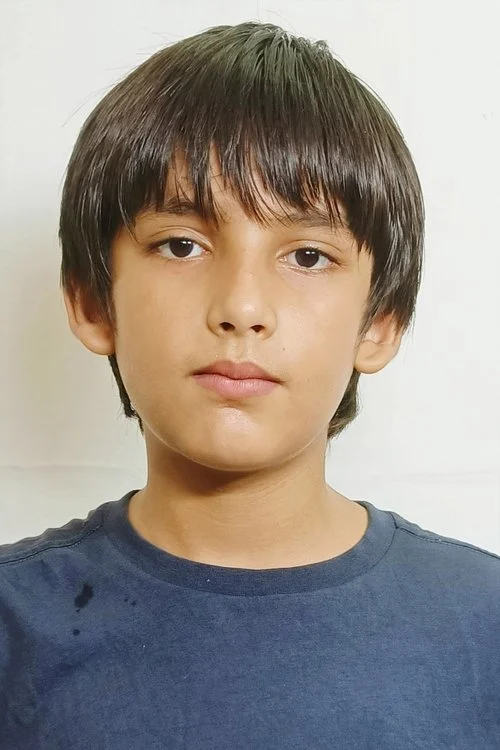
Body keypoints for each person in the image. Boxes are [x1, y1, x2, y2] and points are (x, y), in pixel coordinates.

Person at [1, 20, 498, 749]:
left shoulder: (483, 625)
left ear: (381, 322)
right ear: (93, 302)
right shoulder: (14, 626)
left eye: (307, 256)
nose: (241, 306)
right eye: (181, 245)